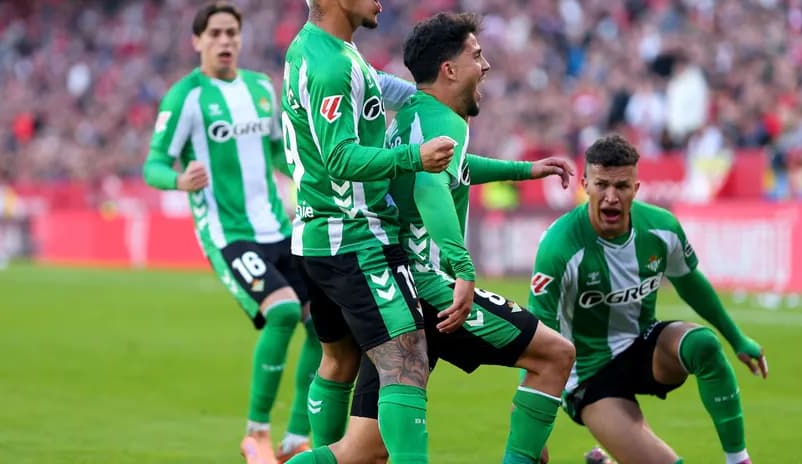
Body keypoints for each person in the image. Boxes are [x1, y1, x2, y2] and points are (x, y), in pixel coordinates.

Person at [285, 12, 576, 464]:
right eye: (477, 56)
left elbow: (451, 167)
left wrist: (523, 170)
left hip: (383, 270)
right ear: (449, 69)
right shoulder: (442, 121)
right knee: (555, 355)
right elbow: (429, 183)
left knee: (363, 450)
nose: (486, 66)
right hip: (426, 285)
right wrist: (463, 268)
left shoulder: (410, 115)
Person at [142, 3, 322, 463]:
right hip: (229, 235)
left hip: (279, 228)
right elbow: (154, 164)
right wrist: (178, 179)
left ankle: (295, 438)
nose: (225, 41)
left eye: (232, 33)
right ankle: (256, 434)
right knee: (284, 312)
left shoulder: (261, 88)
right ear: (197, 41)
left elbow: (278, 152)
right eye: (216, 34)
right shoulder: (185, 97)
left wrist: (306, 176)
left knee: (325, 323)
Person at [280, 1, 456, 463]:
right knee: (407, 358)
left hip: (319, 236)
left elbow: (377, 87)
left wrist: (430, 98)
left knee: (338, 362)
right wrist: (414, 157)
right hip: (356, 237)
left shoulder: (315, 48)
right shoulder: (332, 66)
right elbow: (339, 157)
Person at [528, 134, 768, 464]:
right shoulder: (559, 246)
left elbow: (690, 283)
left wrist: (737, 339)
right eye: (601, 185)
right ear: (585, 186)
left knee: (703, 345)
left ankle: (739, 459)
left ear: (636, 188)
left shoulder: (661, 228)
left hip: (644, 345)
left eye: (621, 186)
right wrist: (530, 423)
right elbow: (536, 337)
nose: (611, 197)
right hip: (588, 376)